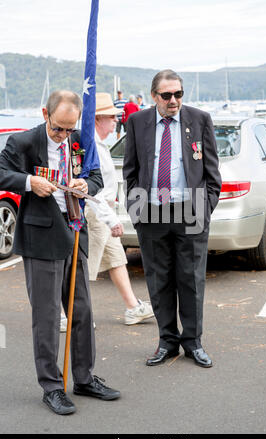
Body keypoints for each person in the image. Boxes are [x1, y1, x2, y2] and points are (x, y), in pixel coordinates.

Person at [0, 90, 121, 416]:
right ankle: (52, 387)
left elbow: (95, 176)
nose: (64, 136)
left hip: (75, 232)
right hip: (41, 239)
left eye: (69, 129)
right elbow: (0, 172)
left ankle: (83, 378)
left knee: (81, 311)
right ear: (45, 114)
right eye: (58, 129)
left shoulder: (80, 140)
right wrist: (28, 182)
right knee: (48, 317)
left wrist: (87, 186)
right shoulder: (23, 142)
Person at [123, 69, 222, 367]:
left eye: (178, 94)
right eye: (167, 95)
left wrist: (205, 208)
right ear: (154, 96)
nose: (173, 100)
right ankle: (167, 341)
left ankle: (193, 342)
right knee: (159, 279)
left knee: (191, 279)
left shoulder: (199, 119)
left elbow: (212, 172)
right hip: (151, 211)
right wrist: (135, 209)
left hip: (190, 209)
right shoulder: (137, 121)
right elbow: (130, 169)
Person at [85, 92, 154, 325]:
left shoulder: (99, 143)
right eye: (111, 117)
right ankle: (69, 314)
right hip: (95, 212)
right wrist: (110, 219)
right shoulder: (90, 145)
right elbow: (91, 190)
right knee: (84, 266)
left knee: (116, 259)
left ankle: (133, 307)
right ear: (97, 119)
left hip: (104, 211)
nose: (117, 120)